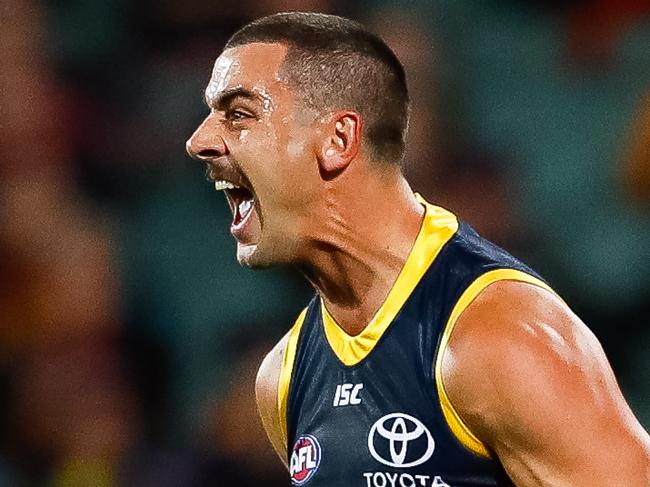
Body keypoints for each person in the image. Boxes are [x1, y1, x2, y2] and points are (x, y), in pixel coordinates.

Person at [185, 12, 650, 486]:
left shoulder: (501, 337)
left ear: (338, 140)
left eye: (239, 114)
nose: (198, 141)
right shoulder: (282, 380)